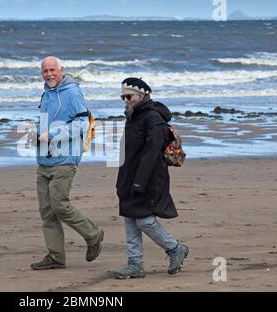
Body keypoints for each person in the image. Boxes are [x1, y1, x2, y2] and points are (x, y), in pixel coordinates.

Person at [30, 56, 104, 270]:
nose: (49, 74)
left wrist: (52, 134)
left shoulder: (72, 92)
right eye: (45, 71)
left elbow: (82, 124)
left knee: (59, 205)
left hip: (65, 159)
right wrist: (36, 134)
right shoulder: (47, 93)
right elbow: (46, 123)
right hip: (44, 160)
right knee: (47, 211)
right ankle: (56, 257)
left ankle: (93, 235)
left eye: (52, 69)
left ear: (62, 70)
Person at [114, 77, 188, 279]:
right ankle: (135, 264)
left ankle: (174, 248)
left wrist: (139, 182)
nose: (126, 100)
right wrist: (121, 180)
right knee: (130, 219)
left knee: (145, 221)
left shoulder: (153, 119)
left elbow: (152, 155)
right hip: (128, 176)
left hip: (150, 179)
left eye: (129, 96)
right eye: (123, 97)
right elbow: (127, 152)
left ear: (141, 96)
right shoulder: (132, 116)